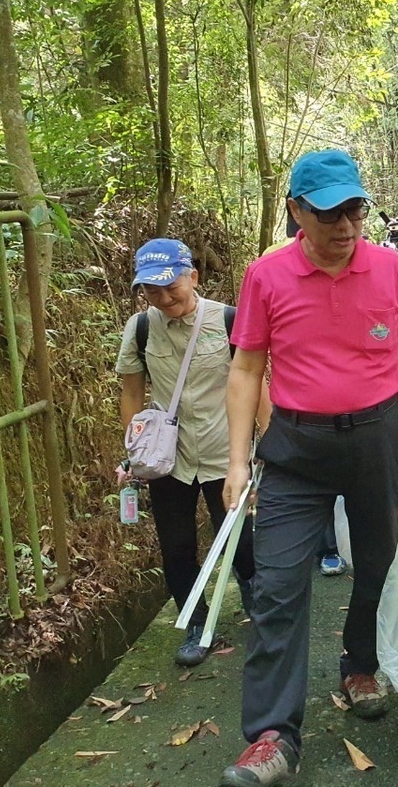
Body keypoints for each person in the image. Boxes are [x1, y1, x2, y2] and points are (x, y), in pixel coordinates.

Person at [220, 149, 398, 787]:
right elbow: (245, 369)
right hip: (295, 449)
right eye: (329, 212)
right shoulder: (266, 276)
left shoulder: (390, 270)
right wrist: (237, 459)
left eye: (354, 209)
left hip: (376, 440)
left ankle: (359, 664)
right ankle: (272, 735)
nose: (346, 225)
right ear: (297, 210)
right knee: (276, 586)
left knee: (375, 560)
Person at [116, 238, 256, 668]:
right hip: (168, 460)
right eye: (152, 291)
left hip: (223, 452)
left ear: (192, 277)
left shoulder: (229, 320)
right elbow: (131, 393)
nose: (163, 298)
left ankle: (260, 609)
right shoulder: (140, 328)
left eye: (170, 287)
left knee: (238, 540)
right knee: (176, 547)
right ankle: (194, 623)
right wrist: (134, 451)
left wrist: (264, 446)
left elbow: (256, 382)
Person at [263, 216, 346, 577]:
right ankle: (325, 547)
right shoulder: (270, 265)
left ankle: (330, 546)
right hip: (295, 404)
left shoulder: (349, 256)